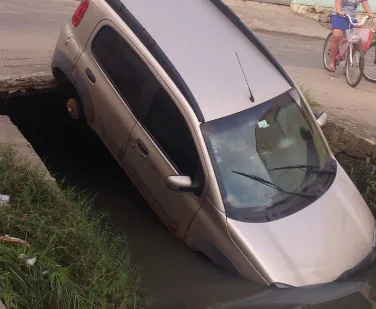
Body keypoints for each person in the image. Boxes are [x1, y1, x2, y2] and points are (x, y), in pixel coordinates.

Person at [328, 0, 374, 72]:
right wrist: (339, 11)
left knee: (356, 40)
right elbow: (338, 2)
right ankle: (331, 61)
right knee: (337, 36)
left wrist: (370, 14)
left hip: (352, 18)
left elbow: (365, 3)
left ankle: (347, 65)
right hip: (339, 16)